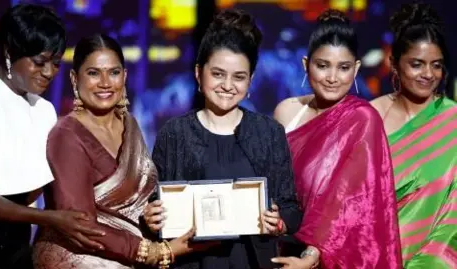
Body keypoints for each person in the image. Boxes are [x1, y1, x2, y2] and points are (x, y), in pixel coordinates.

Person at [147, 9, 311, 269]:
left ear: (250, 81)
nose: (227, 85)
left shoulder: (268, 133)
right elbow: (155, 204)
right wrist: (152, 217)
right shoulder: (174, 134)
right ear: (199, 74)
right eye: (218, 74)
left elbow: (291, 208)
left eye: (239, 77)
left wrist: (279, 221)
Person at [32, 34, 196, 269]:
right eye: (93, 73)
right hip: (78, 260)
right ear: (74, 78)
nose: (105, 83)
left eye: (114, 72)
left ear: (125, 76)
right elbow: (80, 226)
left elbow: (136, 199)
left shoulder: (130, 125)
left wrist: (149, 216)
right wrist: (154, 252)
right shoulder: (66, 135)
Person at [273, 9, 403, 269]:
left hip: (333, 257)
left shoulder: (363, 120)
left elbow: (351, 207)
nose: (332, 78)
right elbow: (272, 185)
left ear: (355, 69)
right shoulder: (286, 112)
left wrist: (311, 258)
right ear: (305, 64)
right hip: (281, 246)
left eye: (343, 68)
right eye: (322, 66)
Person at [0, 4, 103, 269]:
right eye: (39, 62)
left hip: (20, 247)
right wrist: (53, 219)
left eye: (55, 63)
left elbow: (47, 187)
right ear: (10, 53)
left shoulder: (44, 110)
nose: (49, 72)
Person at [371, 3, 456, 268]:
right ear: (394, 63)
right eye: (417, 64)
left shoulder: (452, 120)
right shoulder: (370, 117)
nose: (428, 74)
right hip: (377, 253)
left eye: (437, 65)